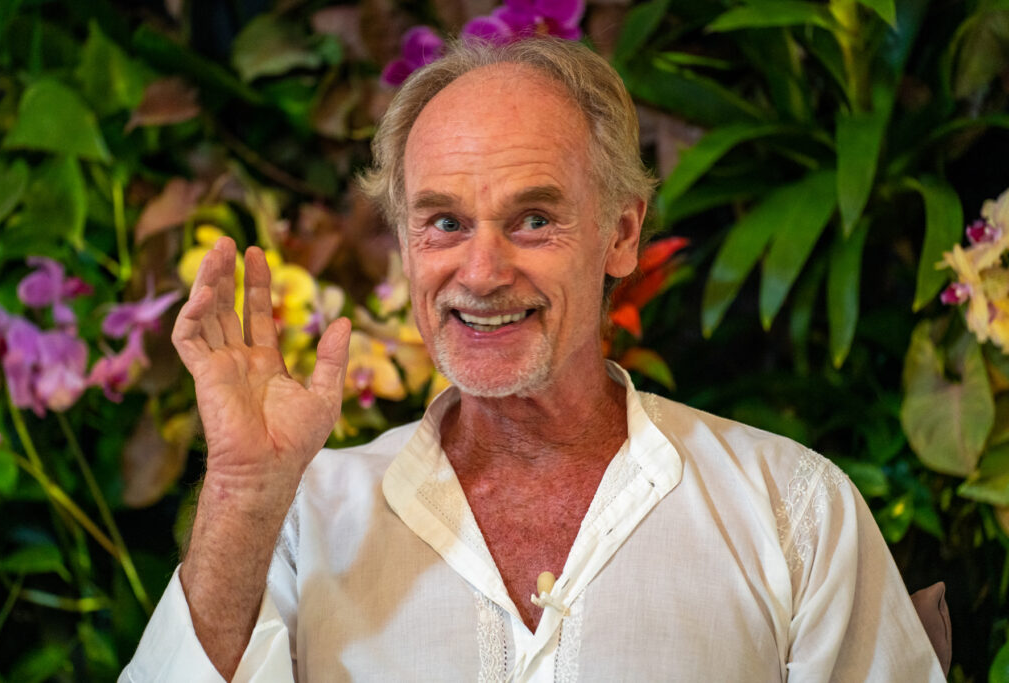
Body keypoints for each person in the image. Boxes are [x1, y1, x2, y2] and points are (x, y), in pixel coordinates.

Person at [121, 38, 945, 682]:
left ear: (621, 233)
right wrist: (241, 490)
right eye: (444, 223)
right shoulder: (301, 519)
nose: (481, 272)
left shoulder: (791, 508)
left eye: (533, 220)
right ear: (405, 243)